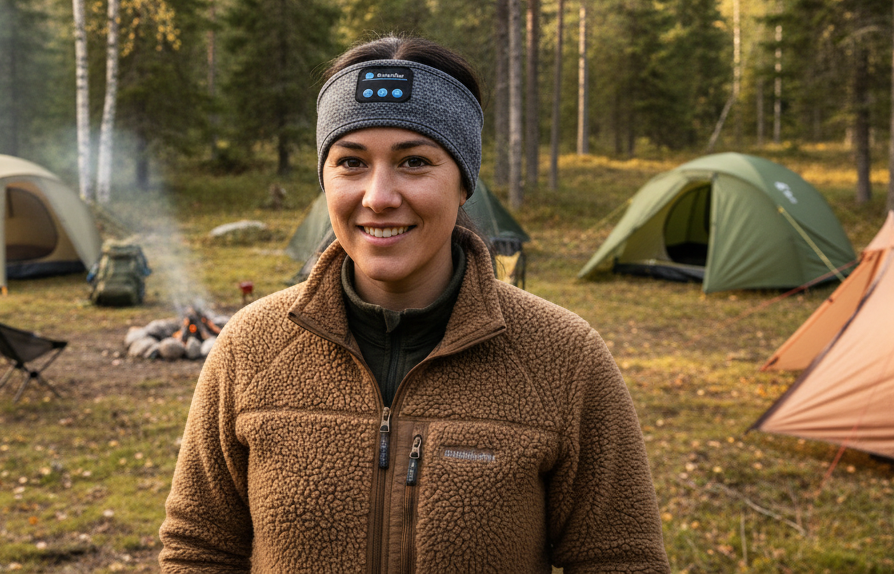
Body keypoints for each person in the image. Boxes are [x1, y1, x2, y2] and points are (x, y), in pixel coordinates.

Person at [159, 36, 669, 573]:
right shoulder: (250, 347)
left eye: (414, 162)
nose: (378, 196)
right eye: (351, 162)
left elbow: (620, 559)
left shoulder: (564, 357)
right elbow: (200, 548)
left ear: (464, 182)